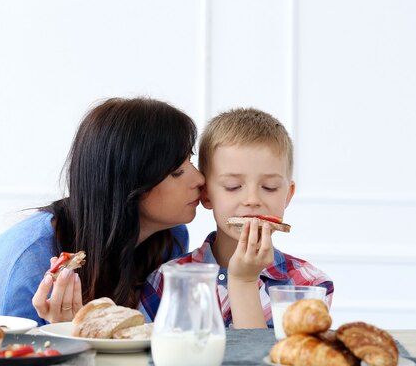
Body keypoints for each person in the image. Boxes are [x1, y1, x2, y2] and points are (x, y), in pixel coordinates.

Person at [0, 97, 205, 325]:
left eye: (190, 161)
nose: (199, 179)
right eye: (177, 172)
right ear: (128, 182)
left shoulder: (170, 239)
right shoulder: (28, 260)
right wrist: (64, 334)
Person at [139, 108, 333, 328]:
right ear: (205, 194)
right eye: (233, 187)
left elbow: (274, 361)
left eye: (269, 188)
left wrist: (245, 281)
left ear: (288, 195)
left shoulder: (308, 285)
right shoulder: (167, 281)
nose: (252, 200)